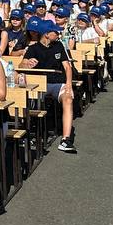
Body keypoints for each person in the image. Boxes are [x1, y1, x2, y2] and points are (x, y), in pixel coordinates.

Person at [20, 18, 77, 153]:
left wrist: (69, 85)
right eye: (55, 32)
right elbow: (21, 65)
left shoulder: (58, 46)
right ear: (46, 34)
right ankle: (29, 133)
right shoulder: (33, 48)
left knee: (68, 98)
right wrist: (27, 64)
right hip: (39, 85)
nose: (58, 34)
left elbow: (67, 67)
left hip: (57, 82)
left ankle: (66, 139)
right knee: (28, 99)